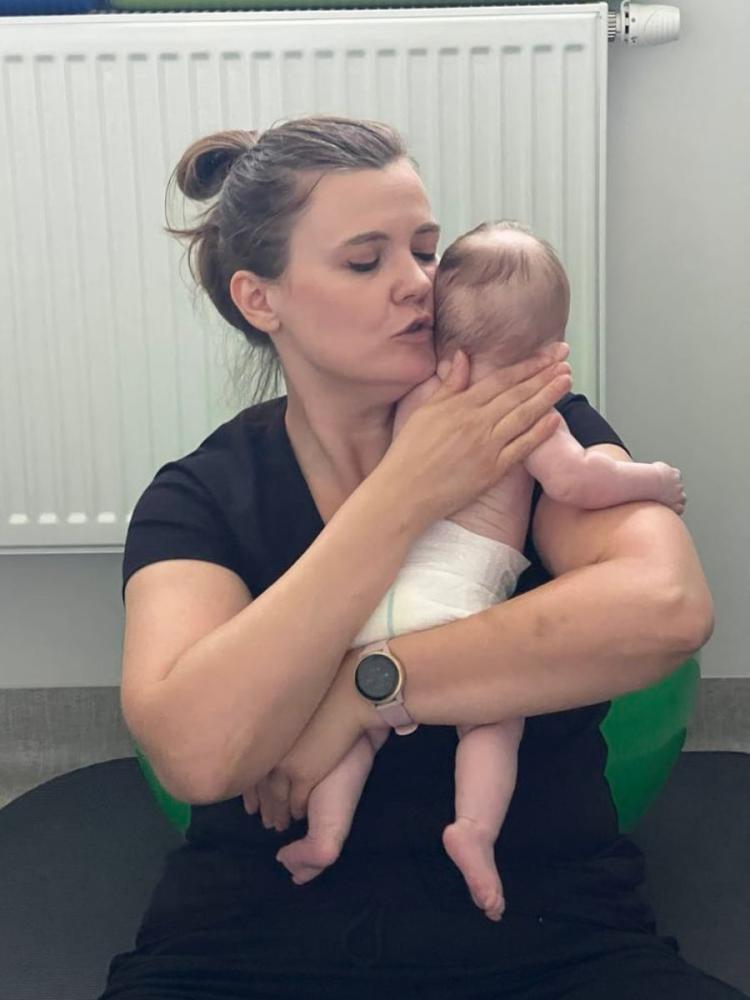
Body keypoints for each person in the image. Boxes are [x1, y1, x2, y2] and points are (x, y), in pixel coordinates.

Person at [98, 115, 744, 1000]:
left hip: (546, 929)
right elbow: (197, 754)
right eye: (366, 261)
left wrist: (363, 689)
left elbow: (667, 608)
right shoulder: (203, 495)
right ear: (260, 299)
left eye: (427, 251)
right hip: (254, 933)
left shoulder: (521, 418)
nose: (419, 284)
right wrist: (403, 494)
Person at [272, 219, 687, 924]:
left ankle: (326, 834)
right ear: (550, 348)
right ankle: (473, 830)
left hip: (381, 599)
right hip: (459, 601)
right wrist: (654, 479)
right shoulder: (523, 413)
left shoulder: (416, 400)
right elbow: (576, 482)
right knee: (493, 721)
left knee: (359, 735)